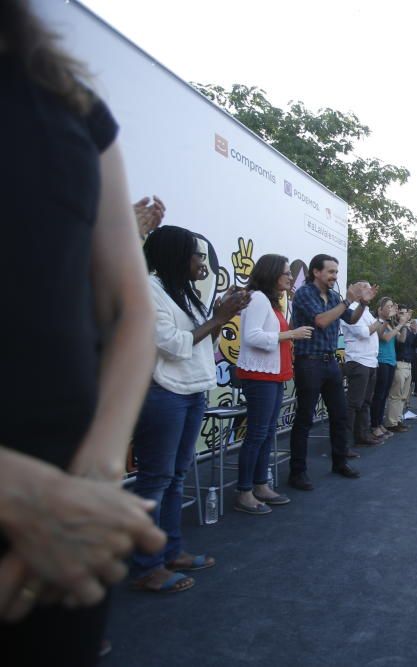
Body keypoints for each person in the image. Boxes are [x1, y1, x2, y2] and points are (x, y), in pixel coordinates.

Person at [1, 7, 166, 660]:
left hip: (70, 536)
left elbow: (130, 310)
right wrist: (21, 497)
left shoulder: (75, 109)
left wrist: (92, 485)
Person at [129, 226, 248, 592]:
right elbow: (171, 345)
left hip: (192, 390)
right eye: (196, 255)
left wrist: (221, 315)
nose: (202, 262)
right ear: (175, 255)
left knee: (177, 476)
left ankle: (171, 550)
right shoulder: (148, 290)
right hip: (163, 393)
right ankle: (147, 565)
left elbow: (201, 343)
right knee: (155, 479)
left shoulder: (182, 293)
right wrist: (217, 317)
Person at [234, 255, 313, 514]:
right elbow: (252, 336)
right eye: (286, 273)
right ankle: (245, 491)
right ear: (271, 273)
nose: (291, 278)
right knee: (257, 434)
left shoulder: (271, 301)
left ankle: (260, 484)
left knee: (267, 433)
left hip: (273, 375)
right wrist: (290, 334)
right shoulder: (256, 298)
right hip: (259, 376)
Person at [287, 254, 367, 490]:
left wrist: (362, 303)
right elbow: (321, 321)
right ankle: (297, 472)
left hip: (330, 362)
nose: (335, 276)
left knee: (340, 414)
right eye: (331, 272)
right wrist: (347, 300)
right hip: (308, 362)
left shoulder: (333, 296)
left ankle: (339, 462)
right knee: (305, 419)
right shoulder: (303, 294)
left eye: (335, 272)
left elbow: (351, 319)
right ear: (316, 272)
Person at [341, 282, 384, 446]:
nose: (370, 290)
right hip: (358, 361)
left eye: (370, 287)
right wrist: (380, 320)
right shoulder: (350, 308)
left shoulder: (367, 311)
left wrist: (382, 319)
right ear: (356, 290)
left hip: (371, 361)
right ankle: (344, 442)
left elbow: (378, 332)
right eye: (365, 287)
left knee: (366, 402)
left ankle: (362, 435)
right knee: (353, 404)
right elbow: (363, 333)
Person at [371, 298, 410, 438]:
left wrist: (404, 324)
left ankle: (379, 423)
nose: (391, 309)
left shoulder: (390, 323)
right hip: (381, 361)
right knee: (379, 395)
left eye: (392, 306)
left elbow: (402, 339)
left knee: (384, 395)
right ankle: (374, 425)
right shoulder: (378, 322)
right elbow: (385, 338)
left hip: (391, 362)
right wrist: (399, 324)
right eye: (388, 306)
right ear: (380, 309)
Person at [386, 309, 417, 431]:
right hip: (399, 363)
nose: (404, 315)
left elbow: (414, 344)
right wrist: (403, 325)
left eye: (406, 313)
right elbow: (402, 340)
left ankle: (398, 420)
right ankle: (391, 423)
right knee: (396, 395)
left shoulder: (408, 328)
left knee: (404, 396)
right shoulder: (394, 327)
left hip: (408, 364)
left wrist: (415, 331)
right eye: (401, 313)